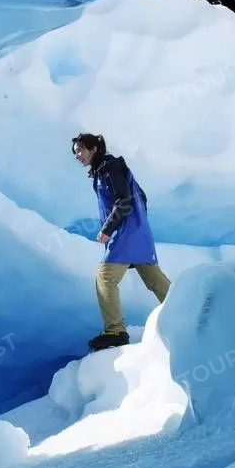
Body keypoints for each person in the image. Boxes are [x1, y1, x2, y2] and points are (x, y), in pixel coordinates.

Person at [71, 133, 171, 351]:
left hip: (125, 233)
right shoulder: (105, 170)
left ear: (94, 148)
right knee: (154, 278)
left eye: (80, 149)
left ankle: (115, 331)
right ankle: (185, 309)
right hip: (135, 232)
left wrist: (108, 229)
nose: (77, 155)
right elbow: (141, 197)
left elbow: (123, 200)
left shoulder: (109, 167)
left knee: (105, 277)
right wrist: (139, 224)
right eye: (75, 152)